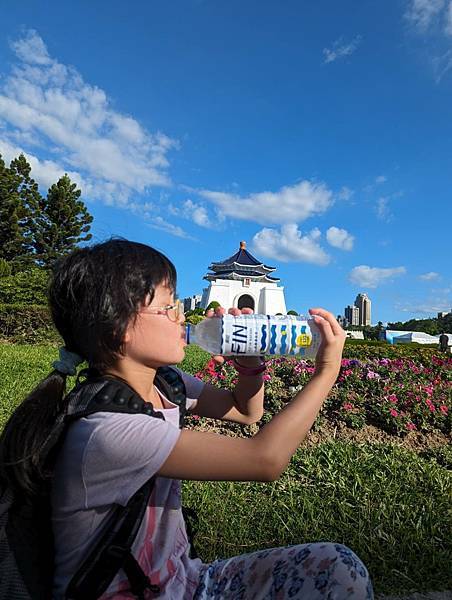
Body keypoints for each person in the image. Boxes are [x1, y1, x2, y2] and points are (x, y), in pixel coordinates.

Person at [0, 239, 373, 599]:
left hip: (186, 580)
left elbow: (246, 411)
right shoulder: (110, 430)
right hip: (133, 594)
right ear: (119, 329)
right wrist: (326, 372)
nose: (182, 315)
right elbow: (265, 459)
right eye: (167, 307)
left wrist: (250, 363)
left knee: (337, 566)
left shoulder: (165, 382)